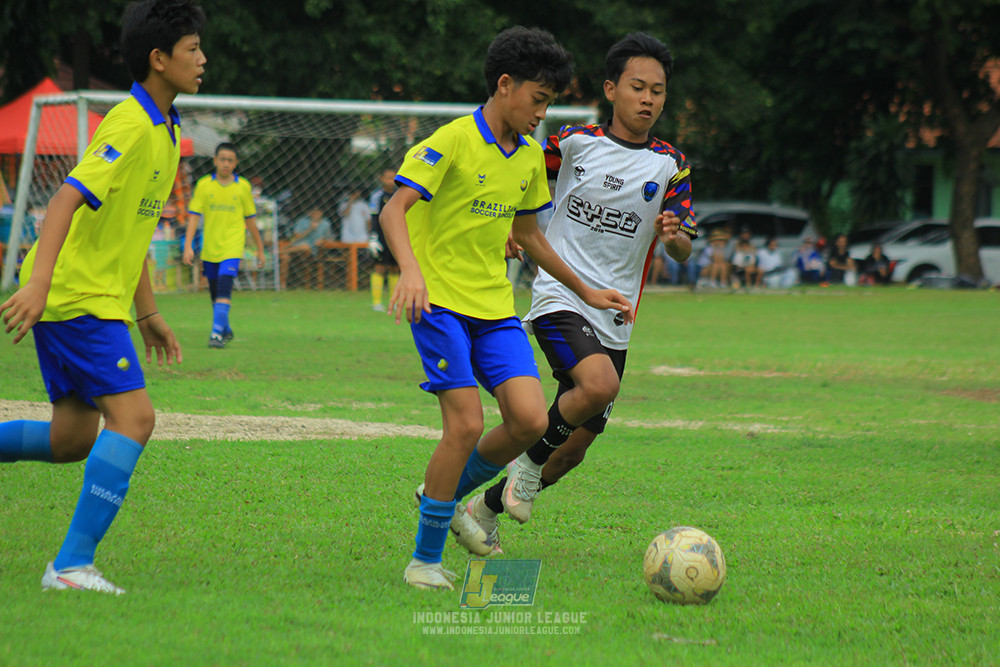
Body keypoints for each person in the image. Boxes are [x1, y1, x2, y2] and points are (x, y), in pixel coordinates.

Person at [378, 26, 632, 591]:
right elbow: (394, 211)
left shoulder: (524, 160)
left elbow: (531, 237)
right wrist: (412, 271)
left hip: (494, 308)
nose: (543, 112)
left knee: (531, 420)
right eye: (538, 99)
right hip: (439, 304)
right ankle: (422, 560)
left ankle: (439, 495)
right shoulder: (450, 140)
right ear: (505, 85)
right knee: (466, 423)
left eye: (550, 102)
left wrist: (586, 291)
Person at [0, 0, 205, 595]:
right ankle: (70, 566)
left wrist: (148, 312)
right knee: (135, 418)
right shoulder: (127, 123)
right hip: (76, 297)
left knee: (70, 439)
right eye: (192, 49)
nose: (203, 59)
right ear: (158, 59)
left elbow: (131, 230)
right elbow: (64, 199)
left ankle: (70, 564)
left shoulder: (166, 133)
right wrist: (37, 283)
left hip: (89, 300)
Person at [470, 32, 696, 550]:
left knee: (573, 451)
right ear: (611, 89)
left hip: (615, 315)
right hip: (561, 295)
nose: (648, 99)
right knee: (597, 386)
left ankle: (481, 509)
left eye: (658, 91)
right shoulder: (571, 143)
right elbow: (520, 181)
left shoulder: (671, 166)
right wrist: (509, 223)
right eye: (638, 87)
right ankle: (525, 464)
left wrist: (674, 238)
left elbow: (682, 247)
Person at [182, 142, 264, 348]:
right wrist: (188, 246)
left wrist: (260, 249)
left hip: (233, 247)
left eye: (230, 160)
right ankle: (224, 328)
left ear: (236, 163)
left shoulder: (243, 187)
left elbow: (251, 219)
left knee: (225, 287)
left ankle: (216, 334)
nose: (226, 164)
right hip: (210, 248)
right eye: (222, 159)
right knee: (215, 294)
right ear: (215, 160)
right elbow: (193, 216)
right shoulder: (203, 185)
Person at [368, 168, 398, 311]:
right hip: (381, 237)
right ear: (382, 178)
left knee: (395, 268)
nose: (390, 181)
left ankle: (394, 302)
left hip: (396, 236)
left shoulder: (399, 194)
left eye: (393, 178)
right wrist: (373, 236)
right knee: (379, 267)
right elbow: (373, 217)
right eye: (387, 178)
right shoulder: (377, 196)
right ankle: (377, 302)